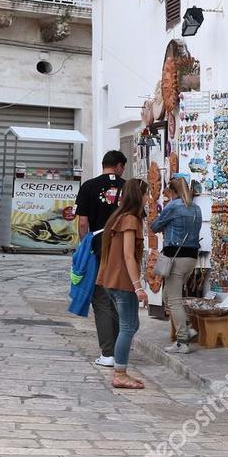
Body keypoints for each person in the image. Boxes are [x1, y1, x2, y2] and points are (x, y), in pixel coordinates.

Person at [75, 150, 127, 368]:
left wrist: (84, 245)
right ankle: (119, 350)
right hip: (123, 246)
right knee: (119, 297)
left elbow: (82, 222)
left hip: (97, 246)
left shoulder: (88, 186)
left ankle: (108, 353)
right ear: (118, 166)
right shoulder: (129, 187)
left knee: (100, 298)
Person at [95, 178, 148, 389]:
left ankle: (121, 370)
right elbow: (128, 255)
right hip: (122, 281)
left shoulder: (118, 217)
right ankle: (120, 373)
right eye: (147, 193)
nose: (148, 198)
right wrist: (138, 286)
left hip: (112, 279)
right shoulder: (130, 220)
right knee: (128, 327)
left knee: (131, 325)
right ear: (138, 196)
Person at [152, 176, 203, 353]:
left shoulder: (173, 206)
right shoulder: (196, 208)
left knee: (173, 300)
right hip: (191, 258)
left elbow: (155, 226)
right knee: (168, 295)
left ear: (172, 191)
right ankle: (188, 326)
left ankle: (183, 340)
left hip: (175, 257)